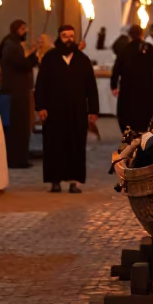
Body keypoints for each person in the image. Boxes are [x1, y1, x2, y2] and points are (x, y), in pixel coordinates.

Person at [34, 23, 99, 193]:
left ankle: (74, 181)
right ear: (59, 37)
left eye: (71, 36)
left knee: (75, 145)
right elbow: (40, 84)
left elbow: (91, 87)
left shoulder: (82, 60)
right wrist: (40, 106)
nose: (69, 39)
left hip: (77, 111)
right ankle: (54, 180)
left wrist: (93, 110)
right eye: (65, 36)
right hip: (53, 111)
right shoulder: (49, 58)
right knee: (54, 145)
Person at [0, 18, 41, 169]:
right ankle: (17, 160)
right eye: (23, 29)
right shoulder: (11, 45)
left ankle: (20, 158)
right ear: (16, 30)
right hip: (16, 92)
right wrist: (35, 56)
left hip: (18, 90)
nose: (26, 32)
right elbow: (21, 64)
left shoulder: (12, 44)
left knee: (21, 126)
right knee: (18, 127)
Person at [111, 26, 153, 134]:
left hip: (128, 89)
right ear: (141, 35)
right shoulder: (148, 48)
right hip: (146, 89)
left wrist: (113, 85)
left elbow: (116, 68)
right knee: (145, 114)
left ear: (129, 36)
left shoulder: (124, 49)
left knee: (128, 113)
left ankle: (128, 135)